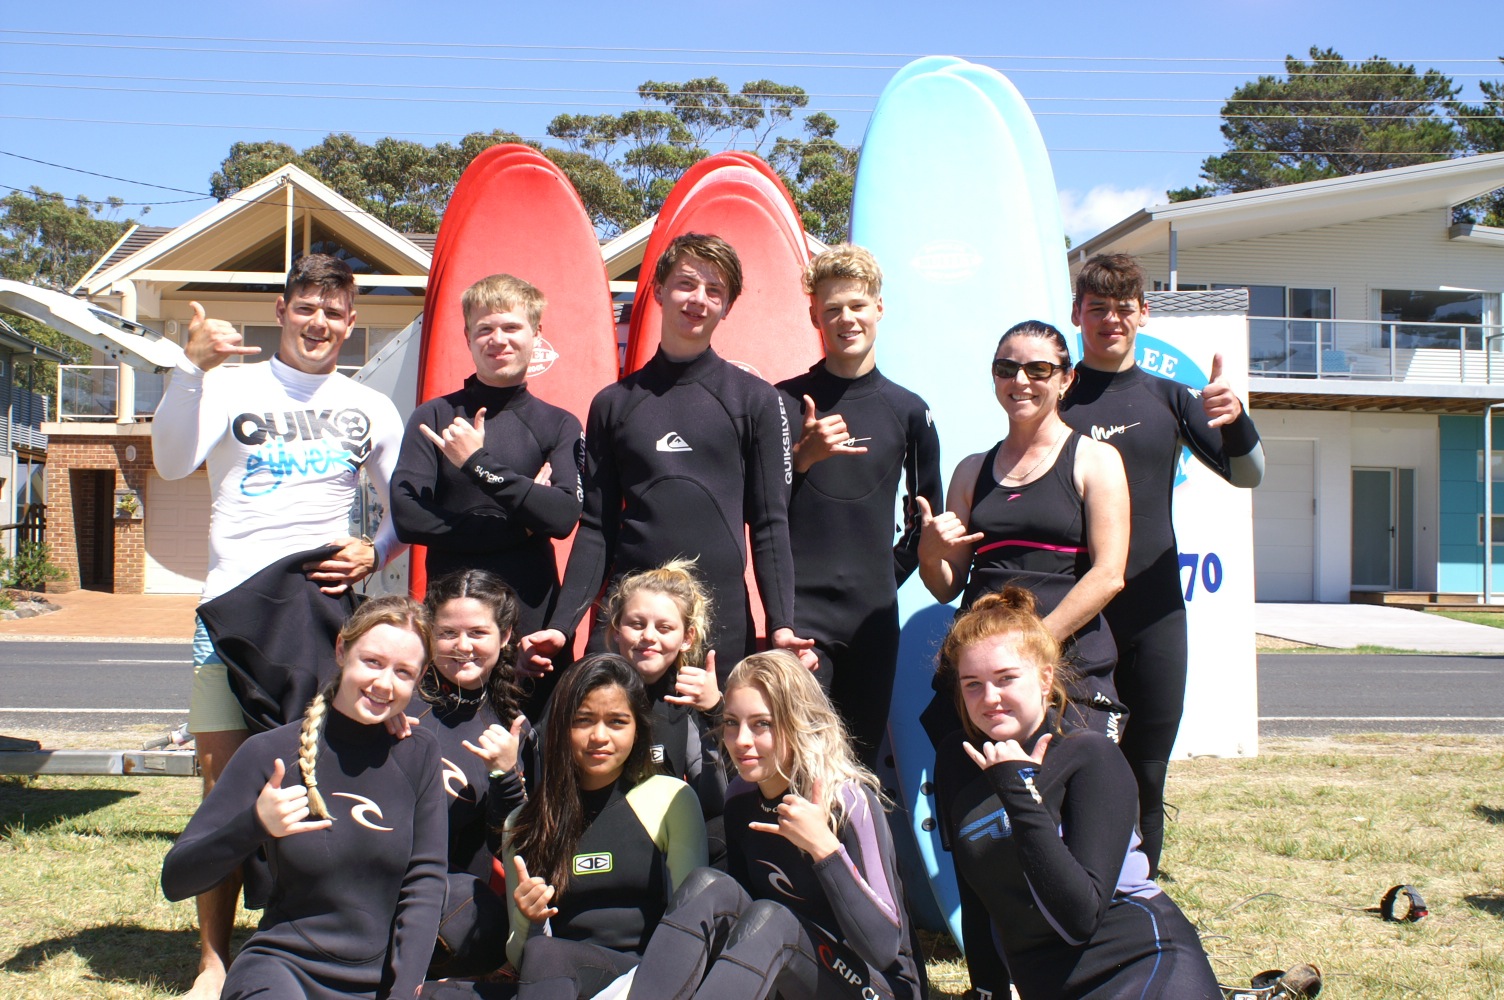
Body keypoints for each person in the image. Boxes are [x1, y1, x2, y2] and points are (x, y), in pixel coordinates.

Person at [152, 253, 406, 1000]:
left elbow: (406, 510)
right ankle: (212, 959)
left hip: (322, 620)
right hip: (228, 616)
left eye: (335, 311)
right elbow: (169, 463)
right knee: (222, 786)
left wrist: (375, 547)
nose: (320, 323)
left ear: (351, 321)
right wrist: (188, 372)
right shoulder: (228, 386)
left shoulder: (369, 407)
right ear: (283, 310)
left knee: (319, 778)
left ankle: (302, 935)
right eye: (307, 307)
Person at [522, 233, 811, 685]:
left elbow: (771, 523)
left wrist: (782, 624)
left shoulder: (754, 399)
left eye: (714, 291)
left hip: (721, 626)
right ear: (658, 290)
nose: (699, 300)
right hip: (628, 624)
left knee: (712, 754)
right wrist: (562, 626)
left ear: (728, 306)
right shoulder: (614, 403)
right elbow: (597, 527)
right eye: (687, 284)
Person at [1060, 252, 1265, 874]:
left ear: (1144, 314)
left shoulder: (1171, 398)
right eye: (1098, 309)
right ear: (1077, 315)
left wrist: (1236, 422)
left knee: (1148, 758)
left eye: (1124, 308)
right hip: (1077, 609)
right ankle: (1077, 878)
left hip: (1152, 609)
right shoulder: (1057, 396)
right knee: (1072, 754)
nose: (1111, 320)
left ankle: (1144, 882)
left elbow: (1247, 474)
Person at [933, 587, 1220, 1000]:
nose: (989, 698)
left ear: (1045, 678)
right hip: (1045, 982)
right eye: (972, 684)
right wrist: (986, 991)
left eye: (1006, 678)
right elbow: (977, 897)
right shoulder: (958, 760)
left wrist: (1018, 790)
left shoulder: (1090, 756)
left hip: (1139, 963)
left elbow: (1079, 918)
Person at [161, 596, 446, 1000]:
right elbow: (176, 879)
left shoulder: (418, 753)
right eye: (373, 662)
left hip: (380, 980)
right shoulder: (270, 752)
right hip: (283, 971)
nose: (385, 684)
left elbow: (425, 881)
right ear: (342, 650)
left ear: (418, 680)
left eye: (404, 672)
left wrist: (404, 991)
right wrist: (254, 826)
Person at [625, 650, 923, 1000]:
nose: (741, 741)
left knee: (774, 919)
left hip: (877, 986)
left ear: (798, 722)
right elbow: (738, 920)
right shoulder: (739, 798)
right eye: (732, 722)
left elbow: (884, 948)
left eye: (762, 724)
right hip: (789, 975)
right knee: (708, 885)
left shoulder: (846, 802)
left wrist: (823, 848)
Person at [774, 244, 942, 766]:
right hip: (800, 616)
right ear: (814, 317)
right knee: (801, 762)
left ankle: (854, 852)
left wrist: (882, 577)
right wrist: (804, 458)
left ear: (879, 308)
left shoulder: (910, 411)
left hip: (872, 617)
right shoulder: (782, 402)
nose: (846, 319)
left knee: (862, 768)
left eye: (857, 305)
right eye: (832, 309)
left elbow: (925, 521)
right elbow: (759, 511)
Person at [918, 320, 1129, 736]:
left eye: (1038, 370)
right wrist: (929, 552)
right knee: (972, 798)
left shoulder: (1095, 460)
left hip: (1068, 666)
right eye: (1006, 369)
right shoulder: (970, 470)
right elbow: (946, 587)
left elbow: (1109, 575)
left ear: (1066, 379)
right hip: (980, 675)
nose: (1020, 381)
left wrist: (1029, 651)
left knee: (1069, 796)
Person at [392, 273, 583, 654]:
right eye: (484, 329)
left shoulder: (560, 423)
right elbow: (408, 517)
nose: (498, 339)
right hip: (451, 622)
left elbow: (562, 516)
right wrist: (523, 526)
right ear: (467, 337)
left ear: (536, 333)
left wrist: (476, 462)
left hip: (531, 622)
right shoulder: (433, 417)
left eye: (512, 326)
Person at [499, 654, 707, 999]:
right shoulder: (523, 822)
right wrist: (528, 919)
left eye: (617, 722)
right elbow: (520, 955)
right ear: (561, 726)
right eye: (583, 720)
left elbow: (688, 929)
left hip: (647, 979)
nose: (599, 736)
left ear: (638, 727)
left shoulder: (671, 799)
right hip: (555, 980)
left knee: (548, 956)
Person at [416, 569, 537, 978]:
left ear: (505, 637)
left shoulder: (513, 727)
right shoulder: (398, 706)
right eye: (448, 632)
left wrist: (505, 774)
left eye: (478, 633)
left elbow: (508, 841)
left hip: (454, 907)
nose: (462, 646)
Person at [602, 559, 727, 863]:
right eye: (636, 624)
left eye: (664, 627)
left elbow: (716, 801)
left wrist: (717, 712)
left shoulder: (685, 700)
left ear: (687, 638)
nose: (649, 636)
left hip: (663, 843)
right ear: (617, 630)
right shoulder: (589, 690)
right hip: (602, 836)